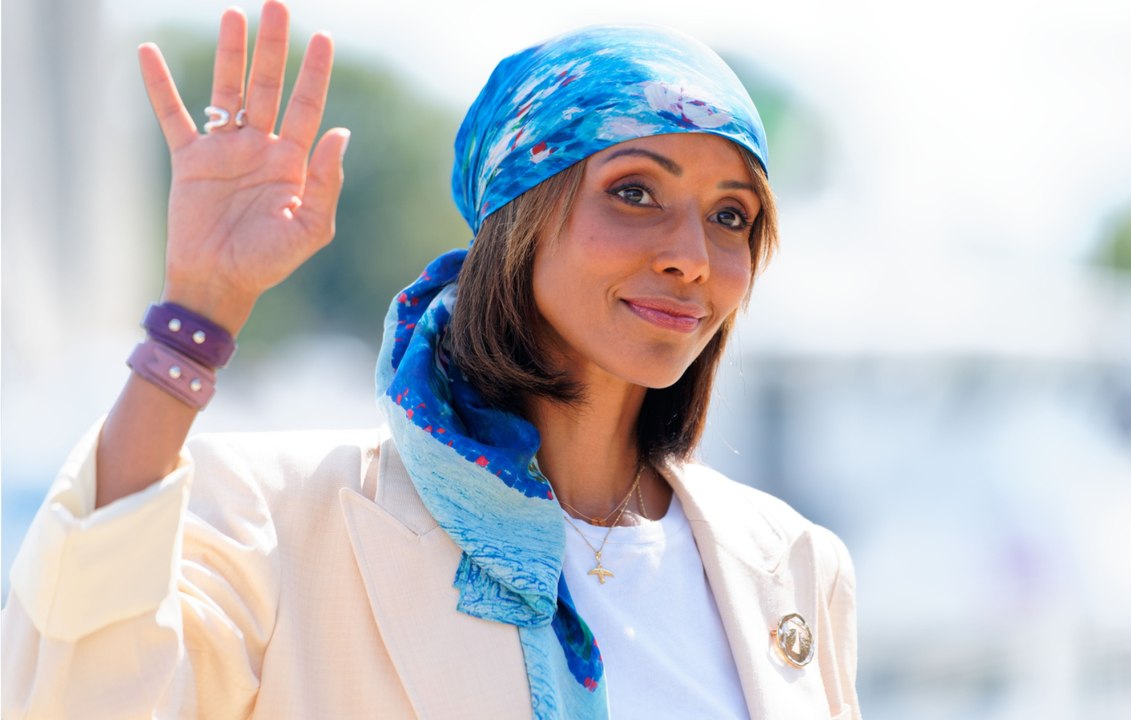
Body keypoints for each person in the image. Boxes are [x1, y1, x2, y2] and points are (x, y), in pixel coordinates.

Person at [2, 2, 861, 718]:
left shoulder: (791, 565)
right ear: (519, 220)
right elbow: (84, 687)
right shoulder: (284, 521)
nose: (692, 256)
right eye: (634, 192)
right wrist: (195, 313)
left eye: (733, 215)